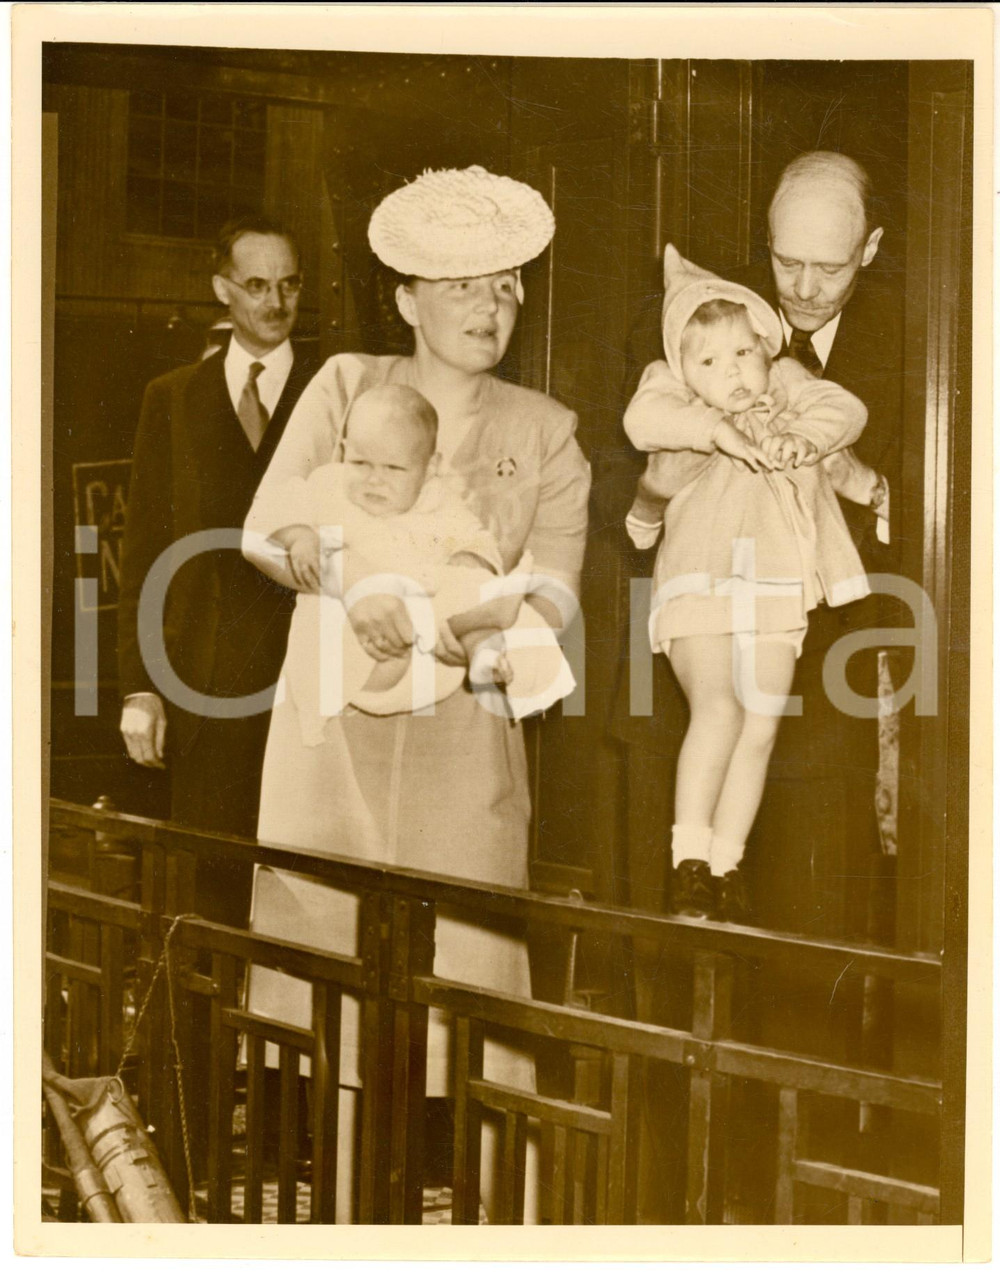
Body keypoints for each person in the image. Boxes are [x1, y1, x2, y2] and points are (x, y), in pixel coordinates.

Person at [240, 165, 591, 1221]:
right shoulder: (345, 384)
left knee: (478, 1005)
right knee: (333, 989)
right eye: (465, 286)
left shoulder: (547, 431)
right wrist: (353, 587)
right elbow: (265, 530)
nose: (492, 309)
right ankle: (346, 1223)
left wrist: (475, 622)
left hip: (465, 737)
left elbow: (558, 597)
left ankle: (501, 1232)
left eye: (507, 287)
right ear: (406, 295)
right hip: (332, 733)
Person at [613, 151, 903, 934]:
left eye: (829, 267)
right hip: (688, 655)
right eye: (786, 261)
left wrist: (863, 482)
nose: (803, 288)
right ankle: (693, 860)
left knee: (806, 959)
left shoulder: (927, 335)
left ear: (869, 250)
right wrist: (659, 485)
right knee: (677, 966)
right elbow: (620, 485)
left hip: (821, 684)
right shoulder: (692, 321)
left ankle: (725, 862)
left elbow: (937, 504)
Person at [117, 214, 317, 927]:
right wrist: (141, 687)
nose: (275, 302)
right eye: (257, 284)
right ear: (221, 289)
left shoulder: (335, 392)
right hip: (204, 689)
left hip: (313, 682)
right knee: (208, 905)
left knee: (306, 899)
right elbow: (142, 555)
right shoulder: (173, 398)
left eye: (289, 284)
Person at [261, 381, 573, 734]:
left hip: (432, 656)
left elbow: (476, 539)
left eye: (394, 469)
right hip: (354, 652)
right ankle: (479, 620)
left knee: (467, 585)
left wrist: (473, 561)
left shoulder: (438, 500)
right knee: (337, 612)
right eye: (361, 462)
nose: (374, 480)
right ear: (343, 451)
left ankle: (483, 648)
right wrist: (300, 536)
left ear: (430, 467)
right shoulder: (328, 485)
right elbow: (278, 512)